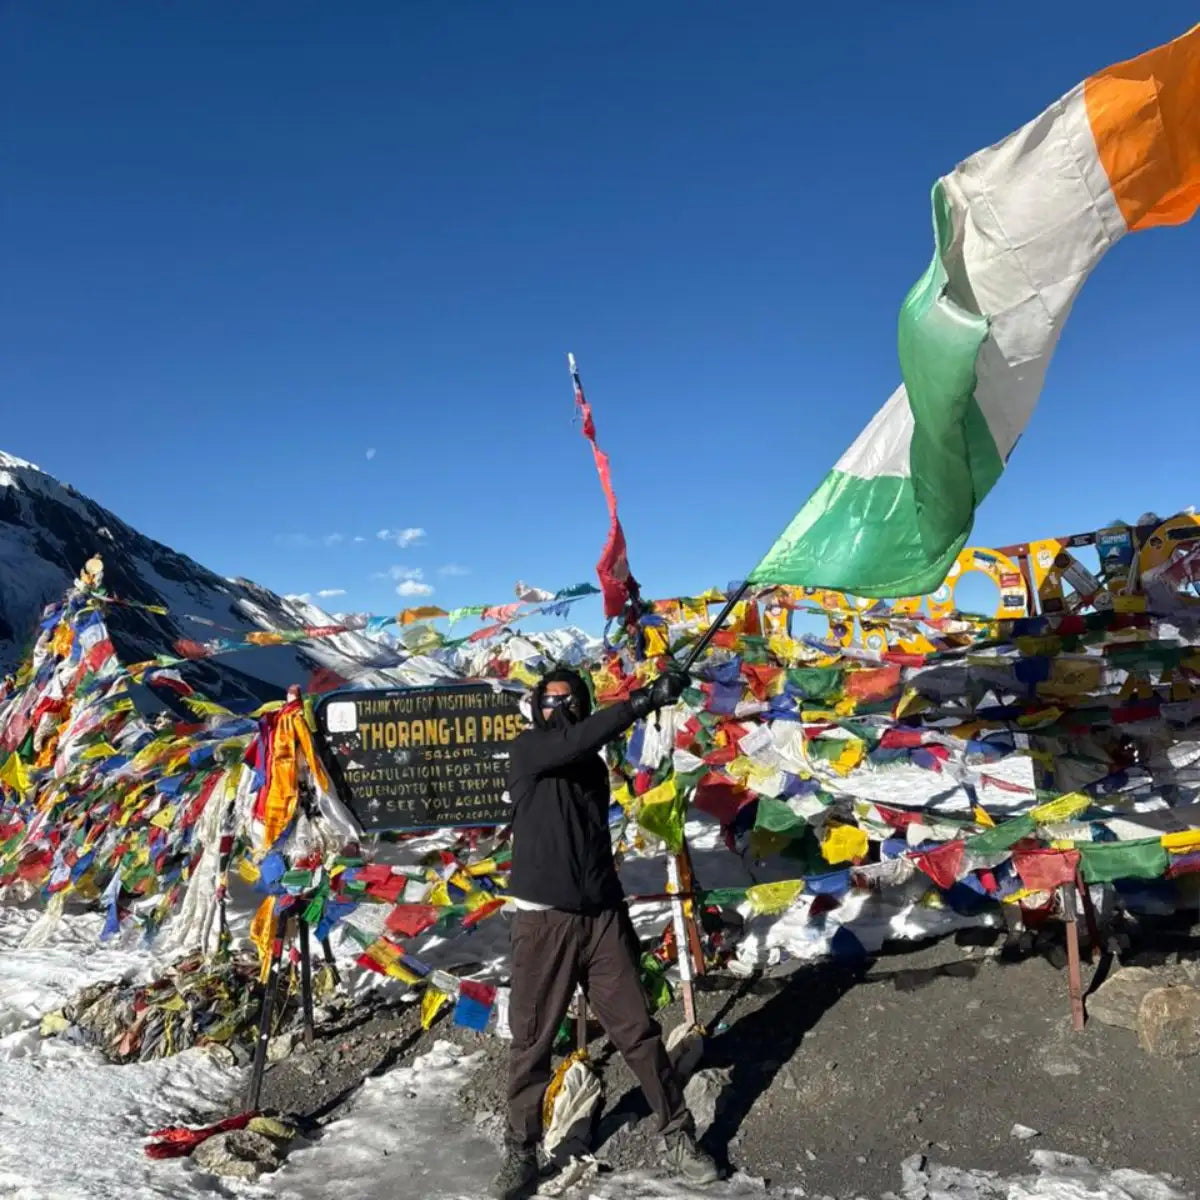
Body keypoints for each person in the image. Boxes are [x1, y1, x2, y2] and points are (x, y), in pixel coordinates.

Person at [490, 665, 720, 1200]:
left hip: (601, 917)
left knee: (637, 1030)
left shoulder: (591, 767)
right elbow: (573, 738)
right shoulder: (528, 751)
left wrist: (616, 915)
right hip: (543, 921)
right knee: (533, 1040)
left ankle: (677, 1133)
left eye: (570, 701)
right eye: (549, 700)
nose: (559, 709)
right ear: (534, 706)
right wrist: (640, 702)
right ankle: (521, 1149)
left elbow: (588, 812)